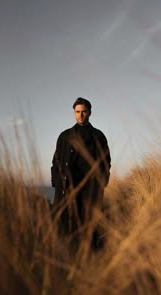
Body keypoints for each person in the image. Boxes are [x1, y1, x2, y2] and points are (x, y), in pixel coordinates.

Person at [51, 97, 111, 249]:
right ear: (74, 113)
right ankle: (69, 259)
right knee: (67, 228)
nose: (80, 115)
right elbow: (56, 162)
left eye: (84, 111)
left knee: (89, 228)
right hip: (67, 189)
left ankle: (90, 260)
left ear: (90, 112)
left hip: (90, 190)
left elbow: (106, 162)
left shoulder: (98, 136)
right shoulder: (64, 136)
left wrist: (101, 183)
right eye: (77, 112)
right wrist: (57, 183)